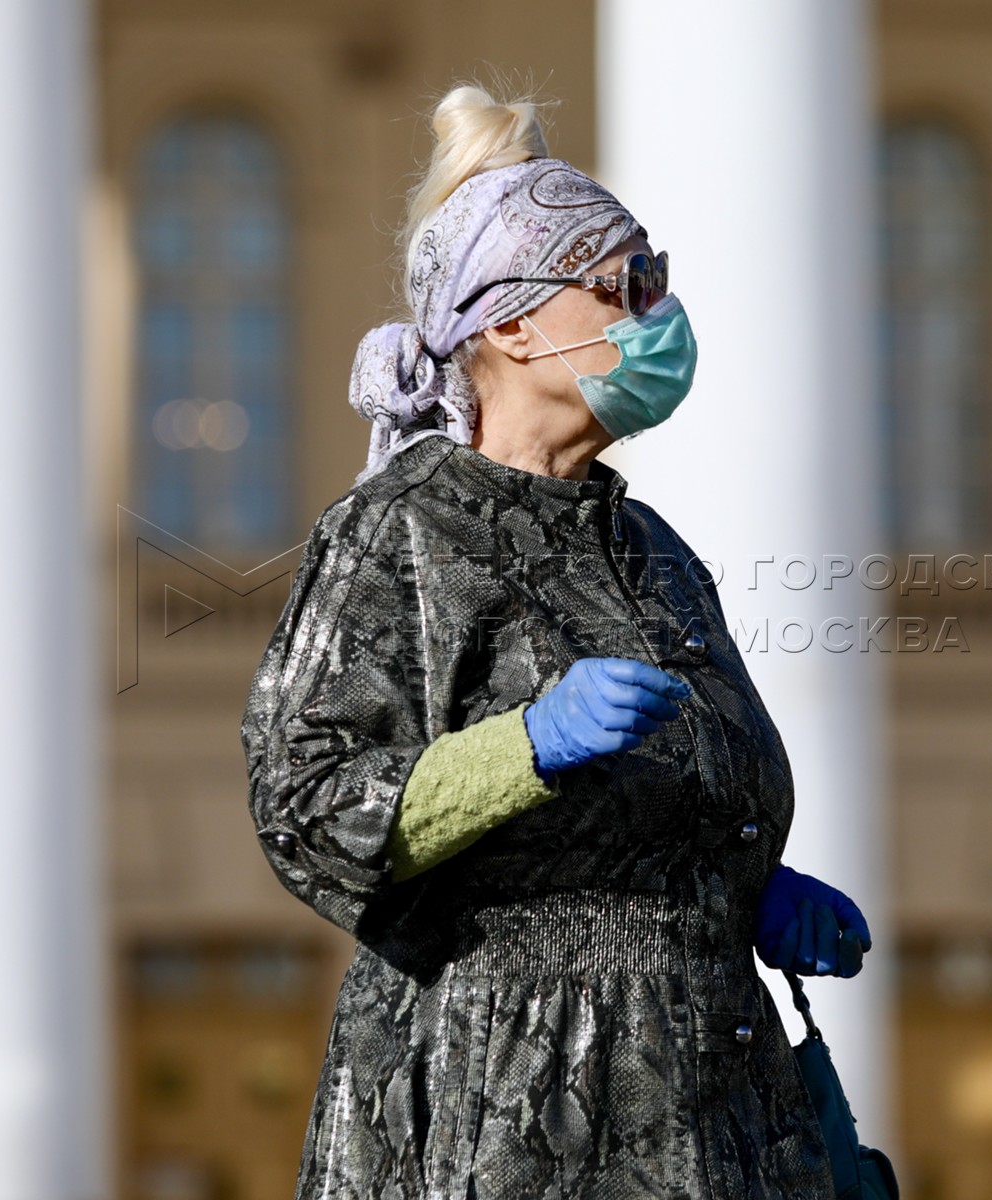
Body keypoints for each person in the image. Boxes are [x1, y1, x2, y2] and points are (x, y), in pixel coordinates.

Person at [240, 82, 873, 1200]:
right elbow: (306, 803)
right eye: (628, 286)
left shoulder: (651, 548)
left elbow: (672, 798)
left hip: (717, 1116)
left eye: (658, 278)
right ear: (512, 325)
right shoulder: (399, 530)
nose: (660, 312)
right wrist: (523, 746)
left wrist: (743, 882)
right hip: (506, 1120)